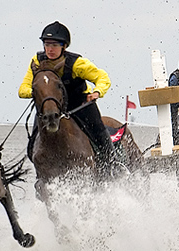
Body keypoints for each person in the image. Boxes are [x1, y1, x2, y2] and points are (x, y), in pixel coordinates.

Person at [17, 21, 117, 167]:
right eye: (47, 45)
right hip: (51, 105)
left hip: (79, 104)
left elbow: (102, 77)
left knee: (98, 131)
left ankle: (112, 163)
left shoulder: (77, 63)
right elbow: (23, 89)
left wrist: (97, 92)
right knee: (34, 140)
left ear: (64, 46)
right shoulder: (36, 62)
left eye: (55, 45)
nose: (50, 49)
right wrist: (40, 92)